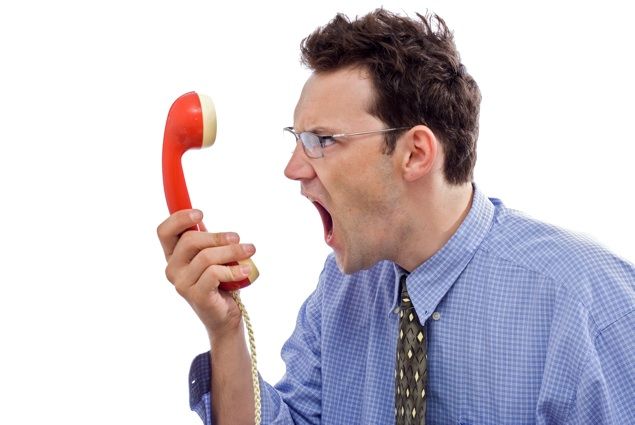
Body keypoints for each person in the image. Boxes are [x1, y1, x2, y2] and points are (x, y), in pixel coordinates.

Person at [157, 9, 635, 425]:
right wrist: (226, 331)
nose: (293, 168)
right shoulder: (342, 290)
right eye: (297, 139)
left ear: (415, 154)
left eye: (321, 140)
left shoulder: (587, 304)